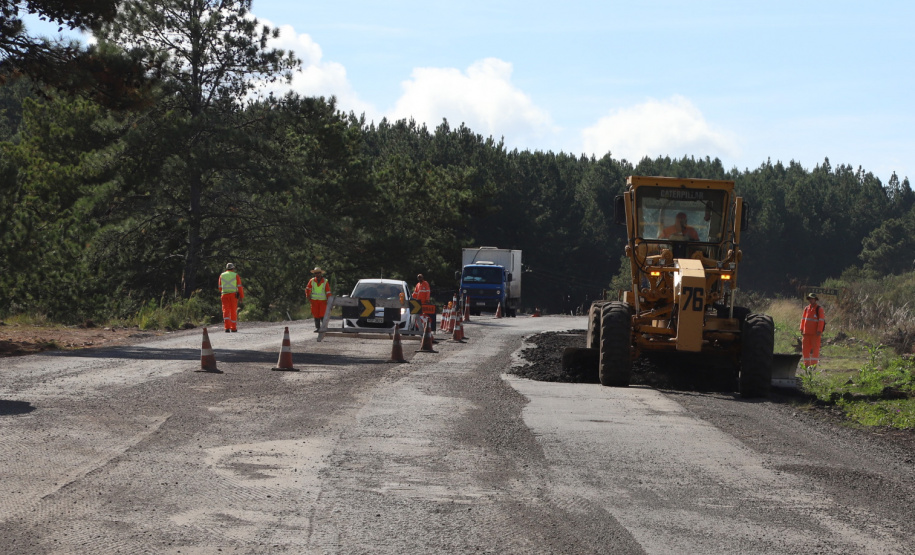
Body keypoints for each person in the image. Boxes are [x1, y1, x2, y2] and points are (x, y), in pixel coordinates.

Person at [800, 292, 826, 368]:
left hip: (815, 334)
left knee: (815, 350)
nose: (811, 300)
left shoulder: (819, 309)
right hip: (806, 333)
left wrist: (819, 331)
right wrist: (801, 328)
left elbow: (821, 321)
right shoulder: (806, 308)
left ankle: (813, 366)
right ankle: (806, 365)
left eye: (812, 299)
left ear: (815, 299)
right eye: (810, 299)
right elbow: (803, 319)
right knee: (805, 350)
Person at [218, 263, 244, 333]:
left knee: (225, 311)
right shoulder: (236, 275)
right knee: (233, 311)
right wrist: (241, 296)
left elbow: (220, 287)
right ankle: (233, 328)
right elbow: (240, 287)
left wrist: (225, 291)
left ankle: (227, 328)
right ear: (233, 268)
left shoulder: (222, 275)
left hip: (224, 295)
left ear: (226, 268)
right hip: (233, 296)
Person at [305, 267, 331, 332]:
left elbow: (328, 292)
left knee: (322, 314)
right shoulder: (312, 280)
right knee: (316, 314)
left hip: (323, 301)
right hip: (314, 301)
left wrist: (329, 300)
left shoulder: (325, 281)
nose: (317, 274)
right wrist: (308, 297)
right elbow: (308, 289)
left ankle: (324, 327)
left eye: (318, 273)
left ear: (320, 273)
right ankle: (318, 328)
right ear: (315, 274)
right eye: (316, 273)